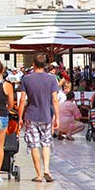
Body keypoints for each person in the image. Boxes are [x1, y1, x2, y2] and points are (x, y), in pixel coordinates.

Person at [18, 54, 61, 183]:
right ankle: (47, 169)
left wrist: (20, 117)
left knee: (34, 145)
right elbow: (55, 99)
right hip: (47, 115)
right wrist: (57, 117)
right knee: (46, 143)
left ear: (34, 64)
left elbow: (22, 99)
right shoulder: (52, 79)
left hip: (31, 115)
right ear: (45, 65)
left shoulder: (26, 79)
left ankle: (38, 174)